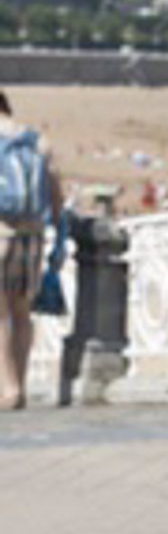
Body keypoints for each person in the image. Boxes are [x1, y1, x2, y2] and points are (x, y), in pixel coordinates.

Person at [0, 90, 63, 410]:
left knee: (0, 314)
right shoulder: (36, 140)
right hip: (32, 237)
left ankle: (7, 388)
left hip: (1, 233)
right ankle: (20, 385)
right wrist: (58, 238)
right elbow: (56, 196)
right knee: (22, 314)